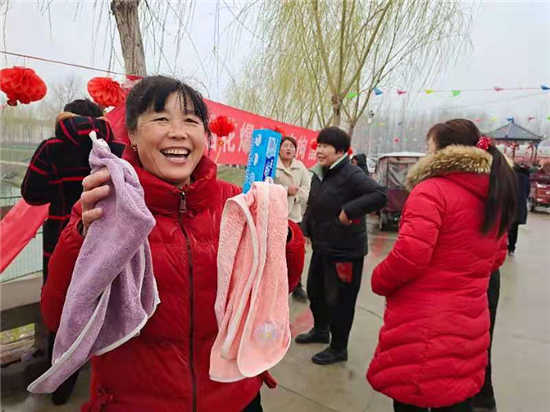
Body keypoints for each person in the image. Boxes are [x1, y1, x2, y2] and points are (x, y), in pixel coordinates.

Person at [41, 76, 305, 411]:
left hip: (235, 395)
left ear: (204, 137)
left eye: (191, 121)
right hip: (134, 403)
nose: (178, 132)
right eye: (161, 118)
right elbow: (58, 317)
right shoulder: (106, 207)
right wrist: (82, 237)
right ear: (132, 134)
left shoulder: (236, 204)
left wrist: (281, 233)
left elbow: (277, 290)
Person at [367, 119, 517, 412]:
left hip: (423, 320)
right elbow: (496, 257)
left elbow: (410, 255)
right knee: (456, 393)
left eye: (429, 148)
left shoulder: (431, 190)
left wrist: (379, 279)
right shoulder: (494, 193)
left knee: (414, 394)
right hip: (470, 318)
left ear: (443, 152)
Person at [21, 98, 125, 406]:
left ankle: (61, 383)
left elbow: (32, 194)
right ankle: (107, 377)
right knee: (108, 304)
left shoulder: (51, 149)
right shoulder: (117, 149)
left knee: (61, 306)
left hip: (62, 241)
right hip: (108, 240)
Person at [296, 127, 387, 365]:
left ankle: (338, 348)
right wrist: (306, 229)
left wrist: (349, 211)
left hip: (345, 251)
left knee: (340, 301)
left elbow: (379, 195)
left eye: (325, 146)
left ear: (340, 151)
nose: (319, 150)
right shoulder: (321, 172)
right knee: (316, 292)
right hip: (322, 246)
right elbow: (313, 204)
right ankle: (321, 330)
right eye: (319, 145)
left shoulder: (351, 173)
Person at [275, 136, 311, 303]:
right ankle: (275, 286)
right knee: (276, 252)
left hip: (294, 218)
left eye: (292, 146)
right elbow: (265, 185)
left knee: (296, 254)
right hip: (275, 216)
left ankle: (297, 286)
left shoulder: (300, 167)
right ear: (279, 148)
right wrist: (285, 190)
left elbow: (307, 189)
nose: (289, 149)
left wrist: (295, 196)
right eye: (285, 145)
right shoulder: (272, 165)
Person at [507, 163, 531, 256]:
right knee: (514, 228)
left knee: (505, 227)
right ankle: (512, 248)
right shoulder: (525, 177)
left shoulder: (509, 176)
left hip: (508, 204)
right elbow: (527, 192)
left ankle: (504, 245)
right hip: (520, 206)